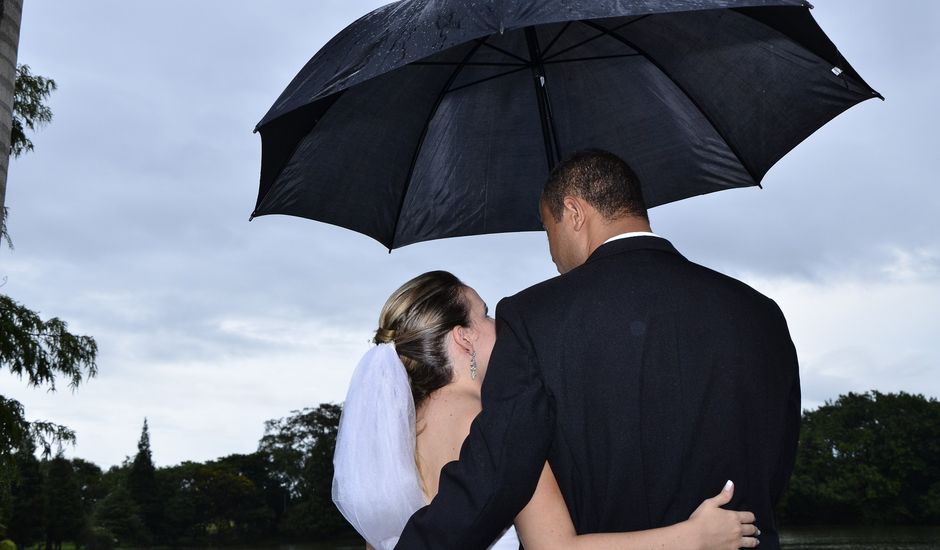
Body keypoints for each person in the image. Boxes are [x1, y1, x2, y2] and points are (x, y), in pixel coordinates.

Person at [395, 150, 801, 549]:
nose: (550, 250)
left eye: (546, 226)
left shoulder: (532, 317)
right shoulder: (760, 312)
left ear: (573, 212)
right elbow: (775, 464)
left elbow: (497, 476)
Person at [333, 270, 760, 550]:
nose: (499, 325)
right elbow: (556, 548)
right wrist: (695, 537)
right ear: (463, 339)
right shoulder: (490, 423)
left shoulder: (395, 432)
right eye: (485, 313)